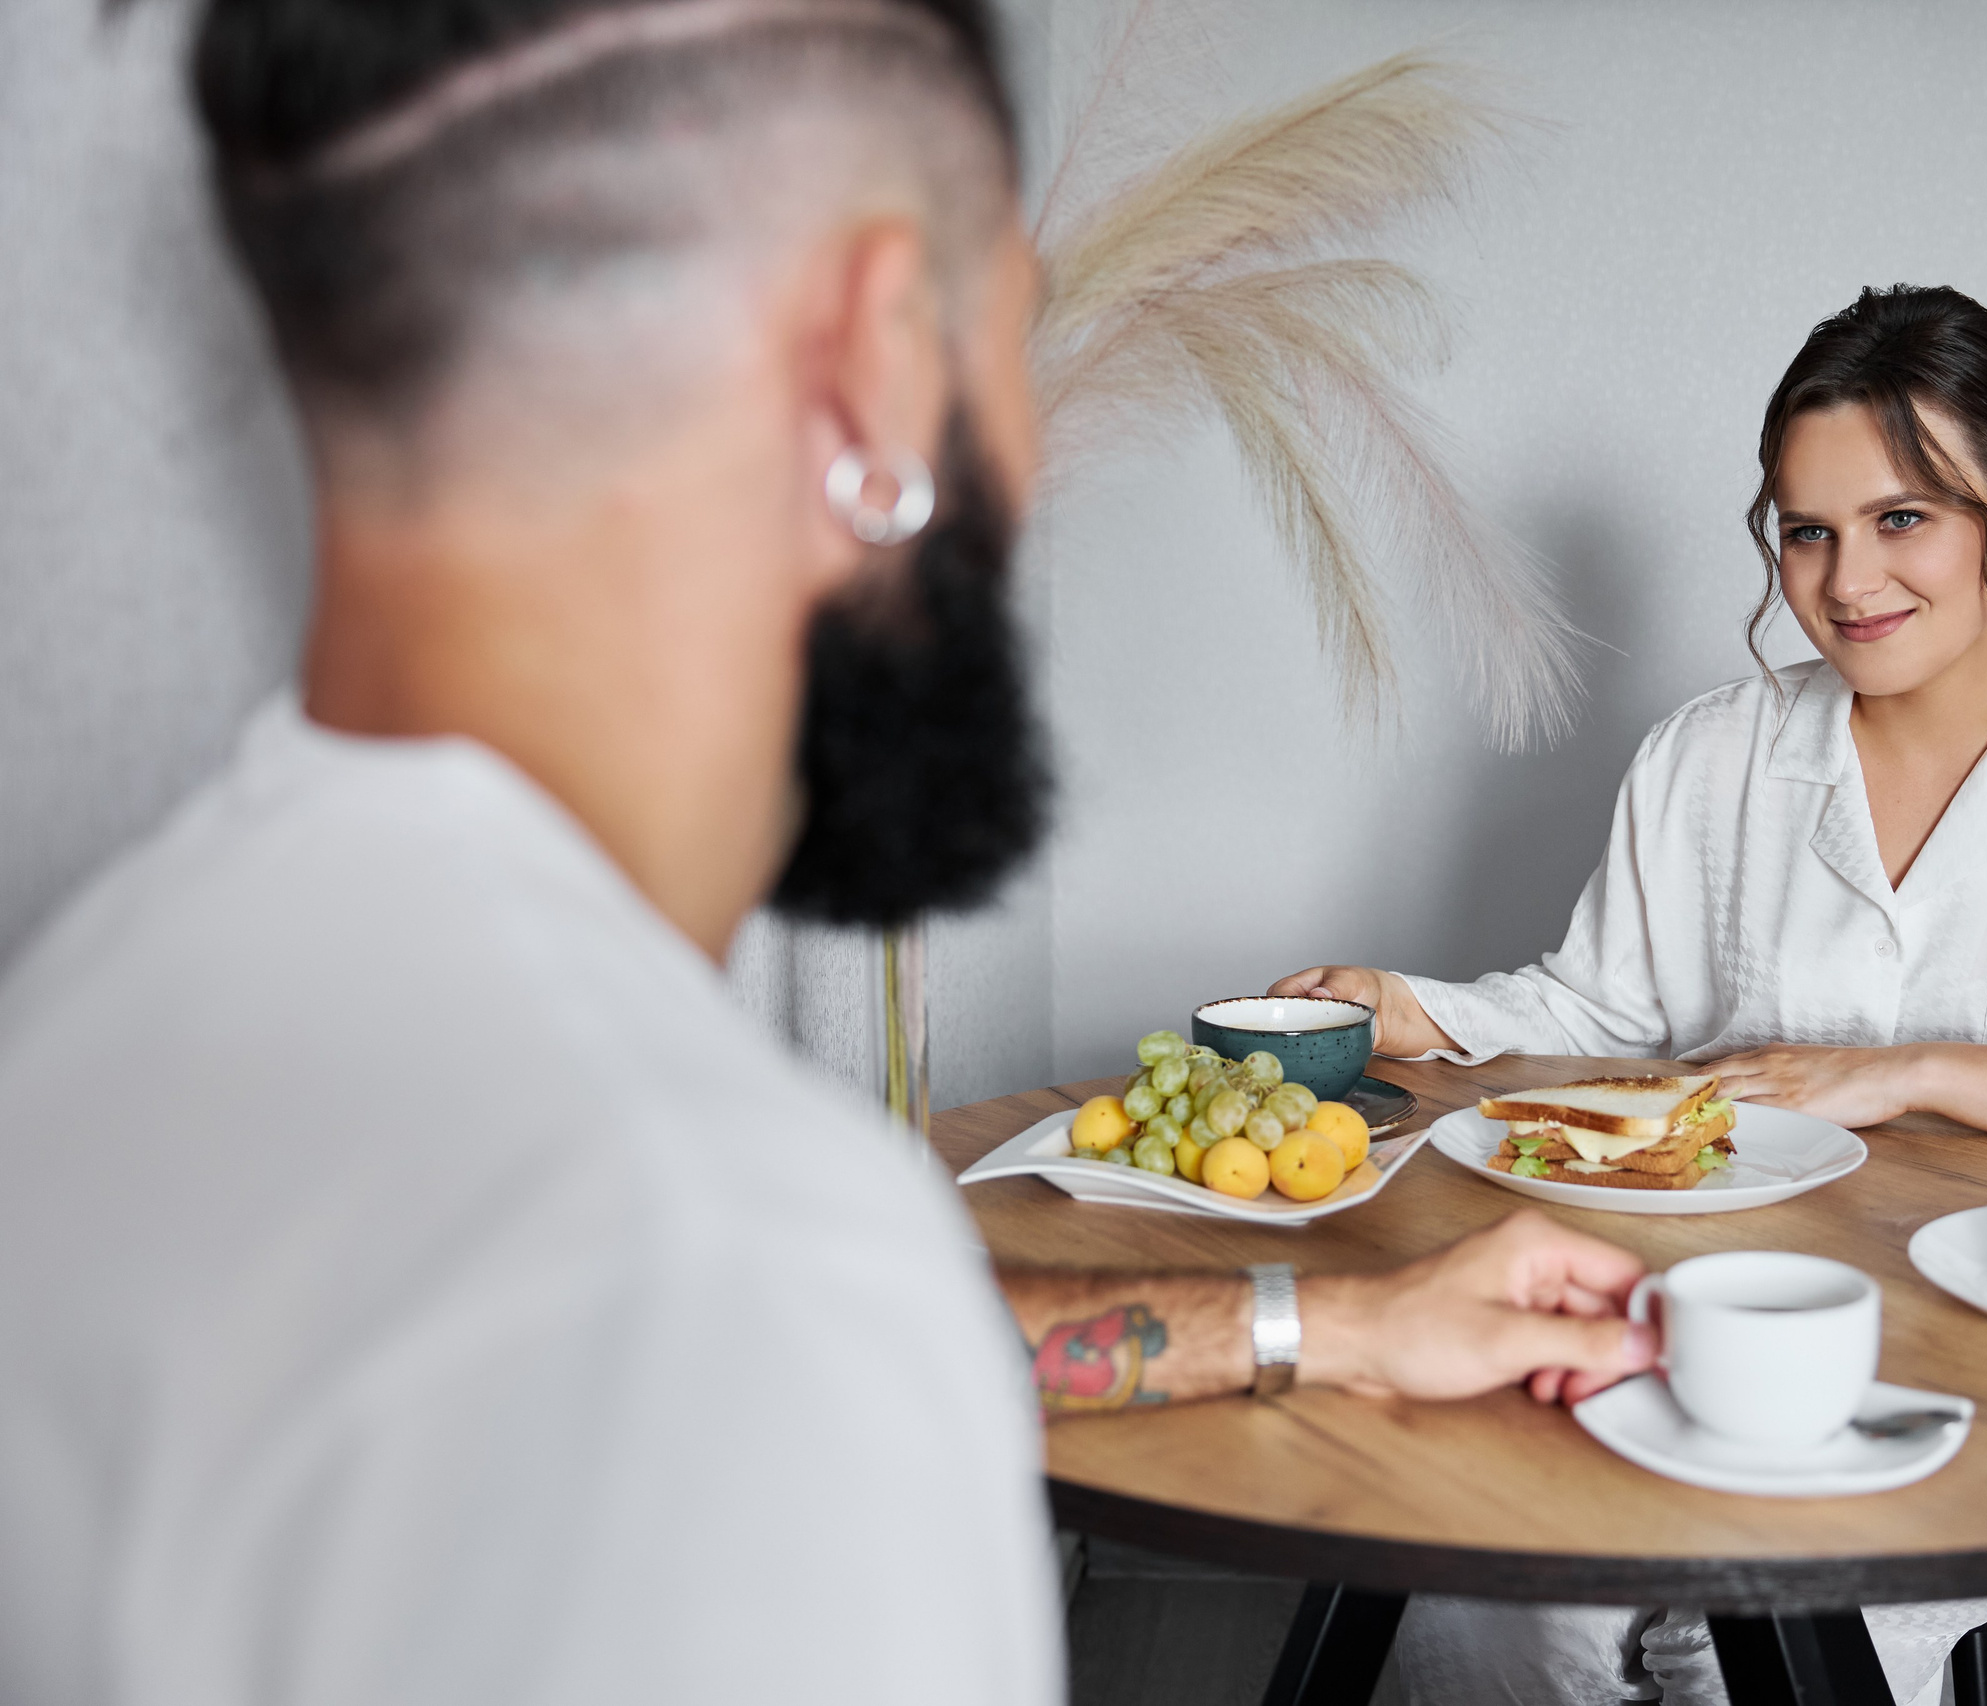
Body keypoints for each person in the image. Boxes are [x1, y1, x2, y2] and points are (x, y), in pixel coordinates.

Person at [0, 3, 1663, 1701]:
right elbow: (750, 1341)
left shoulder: (81, 1028)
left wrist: (1338, 1325)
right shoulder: (735, 1248)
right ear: (875, 360)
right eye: (1011, 348)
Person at [1273, 285, 1987, 1705]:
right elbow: (1608, 1013)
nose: (1847, 581)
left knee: (1732, 1656)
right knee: (1476, 1613)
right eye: (1808, 531)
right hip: (1699, 1324)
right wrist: (1413, 1007)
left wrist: (1912, 1069)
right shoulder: (1707, 758)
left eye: (1902, 517)